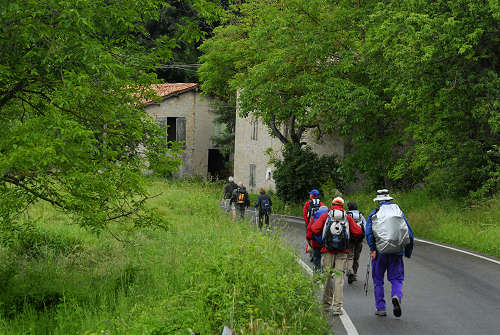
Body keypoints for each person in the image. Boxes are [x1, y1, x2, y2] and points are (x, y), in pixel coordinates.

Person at [309, 197, 363, 315]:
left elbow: (314, 229)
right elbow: (358, 231)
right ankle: (337, 308)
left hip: (327, 250)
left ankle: (326, 305)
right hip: (343, 251)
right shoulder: (347, 217)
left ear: (332, 204)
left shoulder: (327, 215)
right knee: (339, 279)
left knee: (328, 277)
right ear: (343, 205)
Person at [365, 189, 414, 318]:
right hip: (397, 252)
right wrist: (407, 252)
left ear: (379, 201)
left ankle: (381, 308)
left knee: (378, 280)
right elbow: (409, 233)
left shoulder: (374, 213)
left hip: (380, 252)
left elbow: (369, 233)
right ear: (389, 199)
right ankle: (396, 296)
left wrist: (373, 249)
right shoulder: (399, 213)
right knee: (396, 279)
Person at [346, 201, 366, 284]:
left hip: (350, 239)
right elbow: (366, 226)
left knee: (350, 256)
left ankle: (350, 270)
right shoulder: (361, 215)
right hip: (359, 239)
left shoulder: (347, 215)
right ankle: (355, 273)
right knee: (356, 257)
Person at [303, 189, 325, 261]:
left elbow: (305, 213)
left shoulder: (308, 203)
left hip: (310, 223)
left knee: (309, 237)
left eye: (310, 194)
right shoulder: (321, 204)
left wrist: (307, 223)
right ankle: (319, 252)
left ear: (312, 195)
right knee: (318, 238)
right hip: (319, 224)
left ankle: (311, 253)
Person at [306, 205, 329, 272]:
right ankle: (324, 274)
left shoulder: (315, 217)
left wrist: (308, 239)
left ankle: (316, 275)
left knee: (316, 258)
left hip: (316, 242)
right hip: (326, 243)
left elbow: (309, 228)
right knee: (325, 259)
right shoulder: (329, 217)